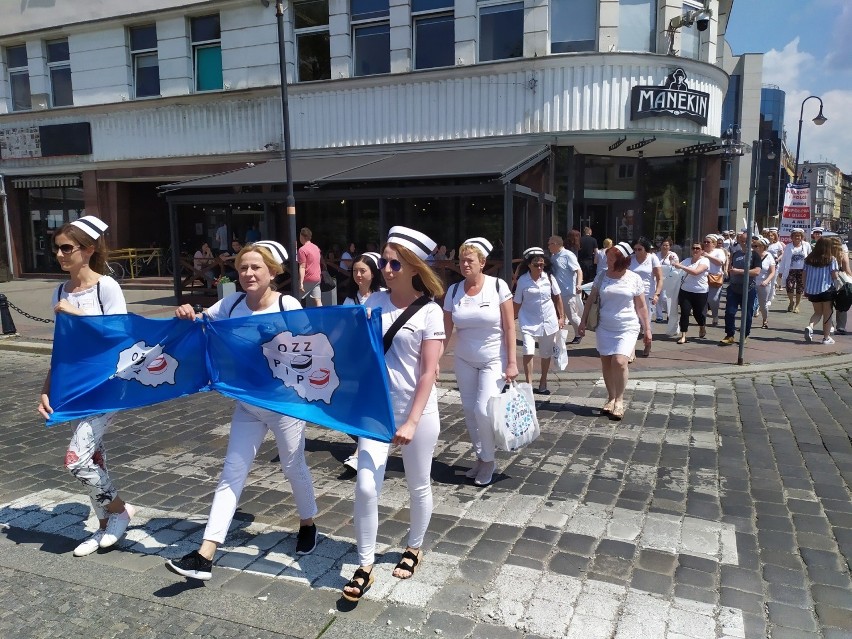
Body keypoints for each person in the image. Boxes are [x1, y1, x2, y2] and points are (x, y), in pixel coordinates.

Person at [165, 241, 318, 581]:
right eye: (243, 267)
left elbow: (312, 345)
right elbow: (201, 322)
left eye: (256, 268)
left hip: (282, 405)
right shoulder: (231, 302)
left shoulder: (286, 303)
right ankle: (205, 554)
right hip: (247, 404)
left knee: (293, 468)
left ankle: (307, 522)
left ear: (272, 273)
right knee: (232, 473)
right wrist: (188, 312)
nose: (248, 273)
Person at [341, 226, 444, 602]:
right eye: (383, 260)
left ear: (415, 266)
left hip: (417, 411)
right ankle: (365, 564)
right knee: (367, 485)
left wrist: (412, 421)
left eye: (395, 262)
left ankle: (414, 546)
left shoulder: (430, 312)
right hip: (376, 411)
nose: (386, 268)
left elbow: (429, 372)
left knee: (419, 484)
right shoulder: (371, 305)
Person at [37, 216, 136, 557]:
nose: (60, 254)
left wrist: (76, 315)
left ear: (88, 250)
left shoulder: (105, 286)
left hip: (108, 385)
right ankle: (105, 525)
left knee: (76, 460)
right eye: (57, 248)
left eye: (67, 248)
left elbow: (121, 334)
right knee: (94, 457)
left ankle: (120, 509)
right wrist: (47, 389)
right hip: (78, 385)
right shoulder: (61, 290)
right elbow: (62, 347)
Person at [443, 237, 517, 487]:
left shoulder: (498, 286)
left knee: (483, 409)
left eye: (469, 260)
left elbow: (509, 326)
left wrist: (512, 363)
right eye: (462, 260)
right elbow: (444, 332)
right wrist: (433, 363)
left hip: (493, 358)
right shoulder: (453, 291)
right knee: (468, 410)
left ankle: (488, 460)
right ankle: (481, 457)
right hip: (464, 358)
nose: (464, 264)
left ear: (482, 263)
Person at [577, 242, 650, 421]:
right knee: (607, 362)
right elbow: (590, 299)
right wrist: (583, 321)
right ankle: (610, 397)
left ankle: (619, 399)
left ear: (622, 260)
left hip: (627, 326)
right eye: (607, 257)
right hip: (604, 326)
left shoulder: (634, 278)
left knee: (619, 361)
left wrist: (647, 329)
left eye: (611, 258)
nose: (607, 261)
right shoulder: (602, 276)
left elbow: (641, 306)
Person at [339, 251, 385, 472]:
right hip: (357, 358)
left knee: (367, 402)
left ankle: (361, 453)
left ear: (373, 273)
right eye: (355, 271)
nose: (358, 275)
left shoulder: (384, 296)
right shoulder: (350, 297)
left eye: (362, 271)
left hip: (379, 358)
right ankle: (368, 442)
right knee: (355, 403)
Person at [513, 247, 565, 395]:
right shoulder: (523, 281)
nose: (540, 267)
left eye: (542, 264)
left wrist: (561, 317)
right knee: (528, 350)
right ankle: (529, 383)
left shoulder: (549, 278)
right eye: (536, 264)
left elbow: (557, 297)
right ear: (529, 264)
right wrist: (509, 319)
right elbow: (517, 302)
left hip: (548, 320)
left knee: (546, 352)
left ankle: (543, 381)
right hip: (528, 320)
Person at [719, 235, 761, 345]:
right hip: (734, 287)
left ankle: (744, 335)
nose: (744, 243)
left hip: (748, 288)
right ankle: (729, 335)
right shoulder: (736, 254)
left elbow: (756, 271)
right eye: (742, 241)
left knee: (747, 313)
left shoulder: (755, 255)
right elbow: (731, 268)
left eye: (746, 241)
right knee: (729, 312)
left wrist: (739, 271)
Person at [802, 237, 839, 345]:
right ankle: (826, 338)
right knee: (827, 314)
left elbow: (804, 275)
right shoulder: (831, 259)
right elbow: (835, 275)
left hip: (812, 291)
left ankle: (810, 326)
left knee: (817, 312)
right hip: (826, 290)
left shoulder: (808, 259)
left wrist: (805, 288)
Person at [547, 235, 583, 344]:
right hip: (557, 291)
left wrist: (578, 284)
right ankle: (556, 336)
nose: (548, 246)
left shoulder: (568, 255)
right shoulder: (554, 256)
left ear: (556, 244)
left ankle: (580, 332)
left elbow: (578, 270)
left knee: (572, 316)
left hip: (568, 291)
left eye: (550, 244)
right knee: (557, 314)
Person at [672, 242, 710, 344]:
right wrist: (673, 262)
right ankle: (683, 335)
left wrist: (681, 267)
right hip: (686, 290)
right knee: (684, 312)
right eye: (693, 248)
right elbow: (677, 267)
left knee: (698, 314)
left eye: (698, 248)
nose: (695, 250)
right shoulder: (687, 260)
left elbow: (696, 272)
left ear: (702, 251)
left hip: (700, 291)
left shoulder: (705, 261)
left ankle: (702, 325)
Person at [629, 238, 662, 344]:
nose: (637, 252)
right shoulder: (631, 258)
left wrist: (657, 294)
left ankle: (648, 345)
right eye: (635, 249)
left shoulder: (652, 258)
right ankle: (630, 350)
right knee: (632, 320)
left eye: (640, 249)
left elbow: (660, 278)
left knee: (646, 321)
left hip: (648, 293)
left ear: (646, 249)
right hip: (632, 292)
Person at [777, 228, 811, 313]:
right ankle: (791, 301)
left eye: (799, 236)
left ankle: (797, 305)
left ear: (801, 237)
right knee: (789, 286)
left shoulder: (806, 245)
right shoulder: (788, 246)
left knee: (800, 288)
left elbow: (810, 257)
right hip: (791, 270)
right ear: (792, 237)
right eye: (795, 236)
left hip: (802, 271)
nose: (797, 237)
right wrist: (780, 271)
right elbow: (784, 259)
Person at [701, 234, 728, 327]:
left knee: (713, 299)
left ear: (714, 244)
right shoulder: (701, 251)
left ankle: (715, 315)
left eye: (708, 242)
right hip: (702, 278)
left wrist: (707, 256)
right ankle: (702, 319)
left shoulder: (719, 251)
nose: (705, 243)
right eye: (704, 242)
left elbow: (720, 262)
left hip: (715, 278)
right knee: (703, 299)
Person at [753, 236, 776, 329]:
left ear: (763, 247)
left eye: (757, 246)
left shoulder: (769, 256)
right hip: (752, 282)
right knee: (749, 303)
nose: (755, 247)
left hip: (763, 283)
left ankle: (765, 319)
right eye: (754, 246)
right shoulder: (752, 255)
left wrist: (767, 281)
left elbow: (772, 272)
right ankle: (746, 322)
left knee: (763, 304)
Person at [829, 236, 851, 335]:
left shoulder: (824, 253)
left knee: (828, 304)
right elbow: (846, 268)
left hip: (827, 279)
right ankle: (841, 326)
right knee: (842, 303)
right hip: (841, 281)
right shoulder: (842, 253)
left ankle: (830, 326)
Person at [298, 227, 323, 307]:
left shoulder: (302, 250)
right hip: (317, 278)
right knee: (318, 300)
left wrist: (301, 282)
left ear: (302, 236)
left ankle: (298, 318)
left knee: (297, 298)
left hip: (308, 278)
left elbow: (302, 266)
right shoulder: (316, 248)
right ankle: (321, 318)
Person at [656, 238, 679, 323]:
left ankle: (669, 314)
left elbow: (677, 266)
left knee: (665, 298)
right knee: (658, 296)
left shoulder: (673, 255)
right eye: (663, 245)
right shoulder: (657, 255)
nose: (665, 247)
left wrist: (671, 260)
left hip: (669, 278)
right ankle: (659, 316)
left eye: (667, 245)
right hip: (658, 278)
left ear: (670, 246)